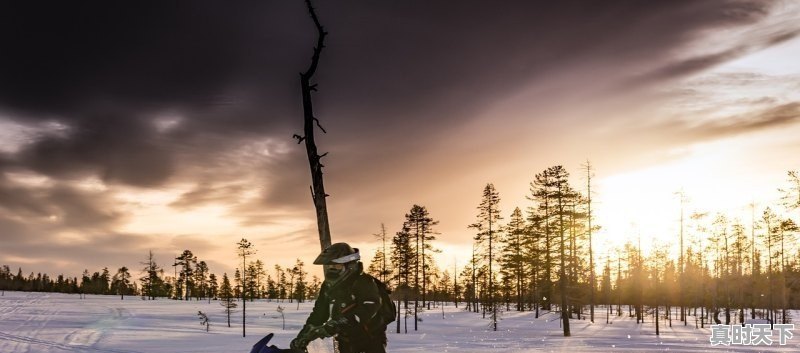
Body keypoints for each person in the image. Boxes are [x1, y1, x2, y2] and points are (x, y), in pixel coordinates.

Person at [290, 243, 388, 353]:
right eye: (330, 266)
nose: (332, 269)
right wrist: (304, 336)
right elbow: (319, 313)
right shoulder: (328, 286)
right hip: (344, 340)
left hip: (370, 339)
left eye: (337, 266)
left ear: (349, 266)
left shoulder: (364, 282)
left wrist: (338, 324)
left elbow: (370, 307)